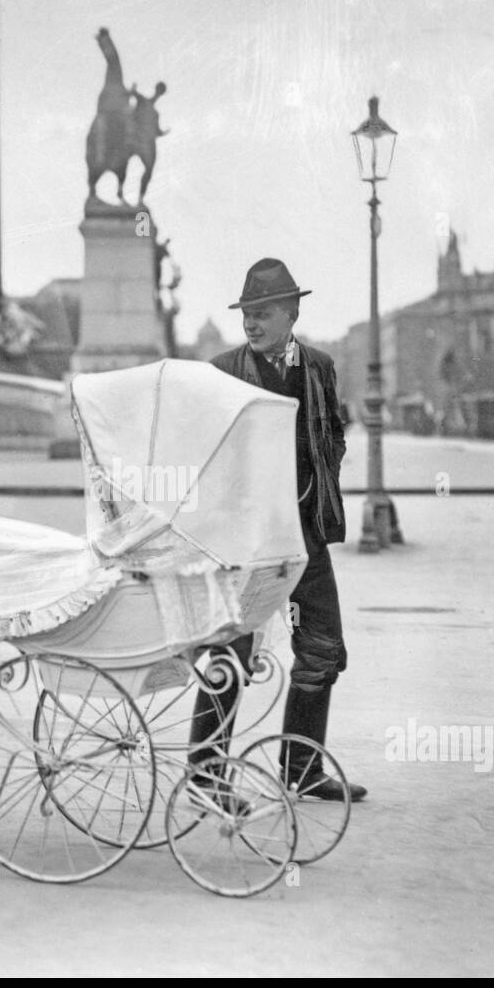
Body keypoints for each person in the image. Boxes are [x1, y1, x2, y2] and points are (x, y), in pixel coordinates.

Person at [187, 258, 365, 802]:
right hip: (246, 543)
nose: (252, 323)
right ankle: (204, 775)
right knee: (230, 655)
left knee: (323, 649)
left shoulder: (318, 367)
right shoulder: (222, 369)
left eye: (262, 313)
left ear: (291, 312)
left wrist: (319, 486)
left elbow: (332, 432)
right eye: (247, 314)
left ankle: (302, 770)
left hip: (304, 534)